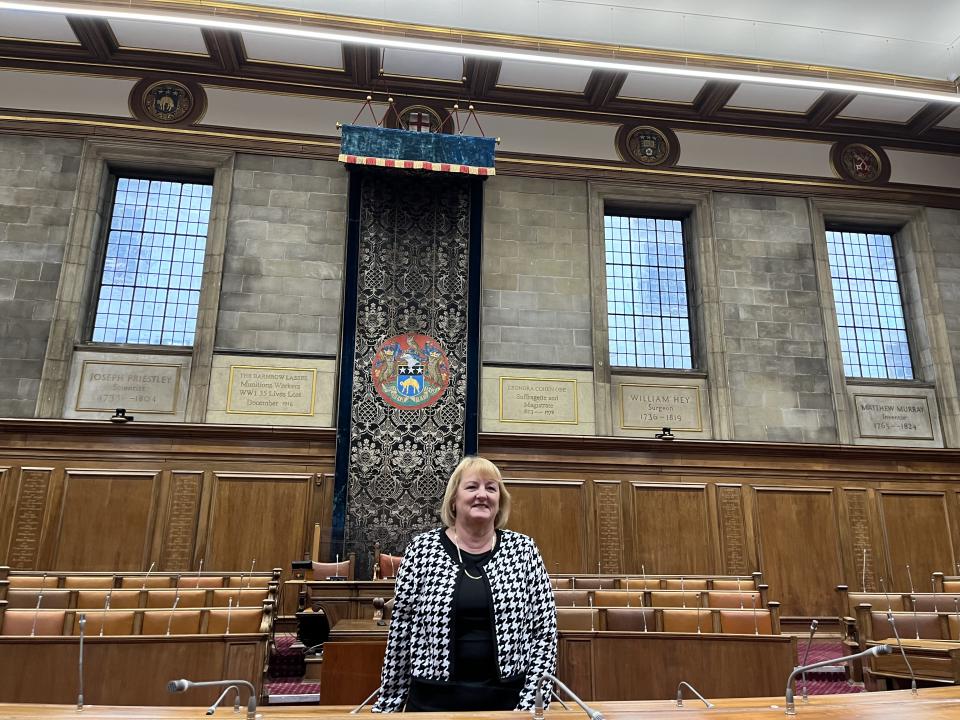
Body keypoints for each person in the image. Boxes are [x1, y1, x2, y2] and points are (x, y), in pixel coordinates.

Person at [372, 456, 557, 712]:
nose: (483, 494)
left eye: (491, 488)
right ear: (453, 499)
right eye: (472, 487)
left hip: (508, 703)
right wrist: (388, 708)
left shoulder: (524, 550)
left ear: (499, 500)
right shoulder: (422, 550)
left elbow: (544, 633)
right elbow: (401, 634)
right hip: (432, 703)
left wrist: (530, 705)